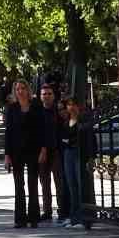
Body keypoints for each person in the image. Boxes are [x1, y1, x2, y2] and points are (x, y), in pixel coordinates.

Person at [4, 80, 47, 228]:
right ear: (15, 92)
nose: (20, 91)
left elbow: (43, 129)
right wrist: (7, 155)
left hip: (33, 150)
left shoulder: (36, 106)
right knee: (19, 185)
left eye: (23, 88)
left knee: (33, 184)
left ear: (28, 90)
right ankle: (20, 219)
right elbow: (8, 132)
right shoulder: (12, 109)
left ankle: (34, 217)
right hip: (16, 152)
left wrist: (43, 149)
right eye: (17, 89)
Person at [59, 96, 96, 230]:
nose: (71, 107)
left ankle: (84, 217)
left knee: (82, 186)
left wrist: (91, 157)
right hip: (68, 154)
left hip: (80, 154)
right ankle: (74, 217)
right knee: (71, 186)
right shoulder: (66, 121)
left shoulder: (84, 120)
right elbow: (63, 138)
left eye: (74, 104)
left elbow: (90, 139)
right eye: (69, 105)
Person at [35, 84, 66, 225]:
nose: (46, 96)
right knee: (44, 183)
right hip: (42, 152)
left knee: (59, 182)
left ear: (53, 96)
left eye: (49, 93)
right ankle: (47, 212)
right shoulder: (37, 112)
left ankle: (62, 211)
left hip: (56, 151)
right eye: (44, 94)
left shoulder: (58, 112)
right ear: (40, 96)